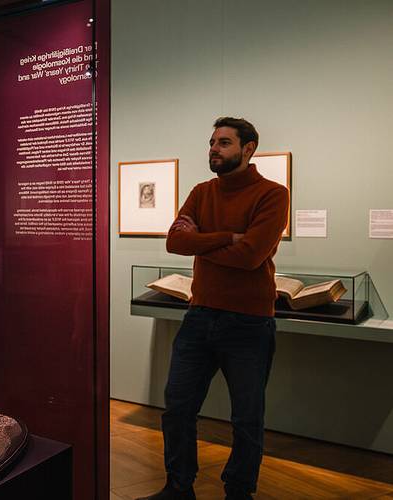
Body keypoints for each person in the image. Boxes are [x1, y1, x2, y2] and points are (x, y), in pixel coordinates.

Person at [138, 117, 289, 500]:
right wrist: (228, 237)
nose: (213, 149)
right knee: (177, 408)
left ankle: (239, 492)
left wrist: (202, 241)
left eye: (223, 142)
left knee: (246, 417)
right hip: (200, 315)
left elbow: (251, 256)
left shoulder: (273, 194)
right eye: (212, 142)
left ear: (248, 148)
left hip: (250, 322)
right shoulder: (202, 192)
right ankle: (178, 487)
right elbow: (175, 242)